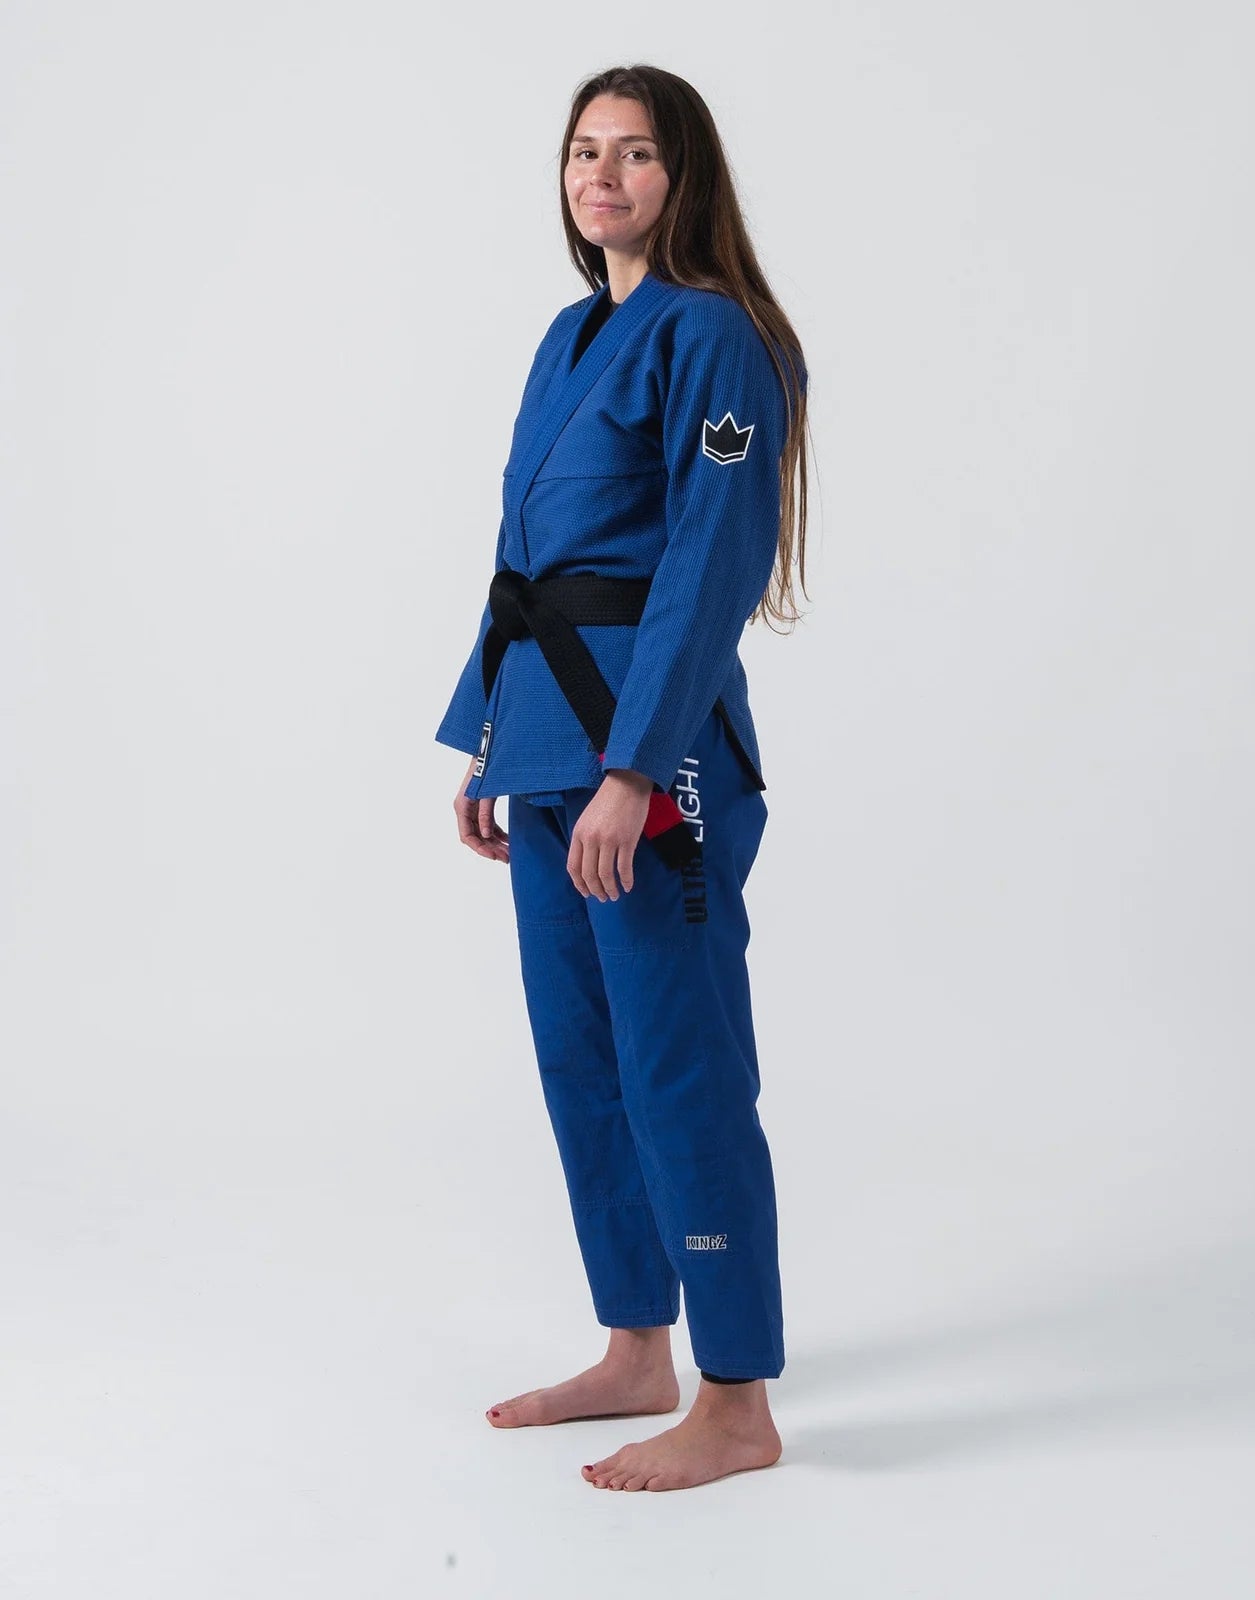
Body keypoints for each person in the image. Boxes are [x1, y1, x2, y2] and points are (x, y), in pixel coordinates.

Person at [435, 63, 810, 1492]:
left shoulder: (714, 334)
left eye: (636, 152)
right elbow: (522, 555)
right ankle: (637, 1345)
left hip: (652, 754)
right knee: (582, 1059)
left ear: (683, 175)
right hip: (546, 740)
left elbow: (709, 566)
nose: (603, 174)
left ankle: (737, 1397)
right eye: (585, 151)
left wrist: (633, 766)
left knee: (676, 1058)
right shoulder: (568, 332)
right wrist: (491, 734)